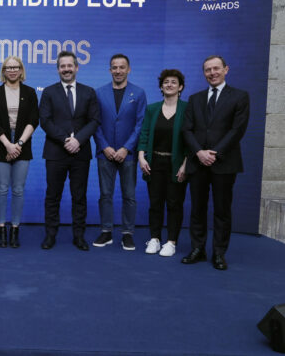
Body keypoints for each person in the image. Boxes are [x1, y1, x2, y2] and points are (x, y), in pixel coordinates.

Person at [181, 55, 249, 270]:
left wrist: (215, 153)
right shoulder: (195, 99)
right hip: (198, 162)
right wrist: (200, 153)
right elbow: (186, 129)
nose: (212, 73)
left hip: (224, 163)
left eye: (216, 69)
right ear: (204, 73)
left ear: (226, 69)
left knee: (222, 210)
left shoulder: (240, 96)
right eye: (208, 70)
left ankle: (219, 253)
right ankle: (198, 249)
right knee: (197, 209)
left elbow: (237, 130)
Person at [39, 51, 100, 251]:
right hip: (56, 152)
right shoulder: (48, 92)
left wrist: (78, 140)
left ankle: (79, 236)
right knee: (52, 196)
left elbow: (94, 120)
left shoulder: (89, 92)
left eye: (69, 66)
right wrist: (66, 139)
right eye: (62, 66)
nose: (66, 69)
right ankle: (50, 235)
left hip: (80, 153)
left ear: (76, 68)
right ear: (58, 69)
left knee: (79, 196)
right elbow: (45, 121)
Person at [92, 54, 147, 251]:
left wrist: (126, 148)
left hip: (128, 154)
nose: (118, 71)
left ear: (129, 69)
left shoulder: (138, 93)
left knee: (129, 195)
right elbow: (95, 123)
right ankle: (106, 231)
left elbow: (141, 124)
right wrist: (104, 146)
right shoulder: (99, 93)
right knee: (105, 194)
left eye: (121, 67)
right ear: (109, 70)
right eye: (114, 67)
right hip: (104, 152)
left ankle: (127, 233)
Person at [0, 56, 39, 248]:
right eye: (8, 67)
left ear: (21, 70)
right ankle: (1, 228)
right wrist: (7, 145)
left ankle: (15, 229)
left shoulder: (30, 92)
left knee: (18, 190)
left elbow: (34, 119)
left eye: (15, 67)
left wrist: (18, 144)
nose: (12, 70)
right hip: (1, 144)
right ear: (3, 70)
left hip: (22, 143)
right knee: (2, 189)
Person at [137, 69, 188, 257]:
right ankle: (155, 239)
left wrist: (185, 164)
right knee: (155, 203)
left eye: (174, 82)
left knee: (175, 203)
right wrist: (141, 157)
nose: (169, 85)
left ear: (180, 87)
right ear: (161, 86)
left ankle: (171, 242)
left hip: (176, 164)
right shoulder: (152, 109)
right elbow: (144, 134)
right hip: (154, 162)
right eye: (166, 82)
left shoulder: (187, 109)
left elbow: (191, 139)